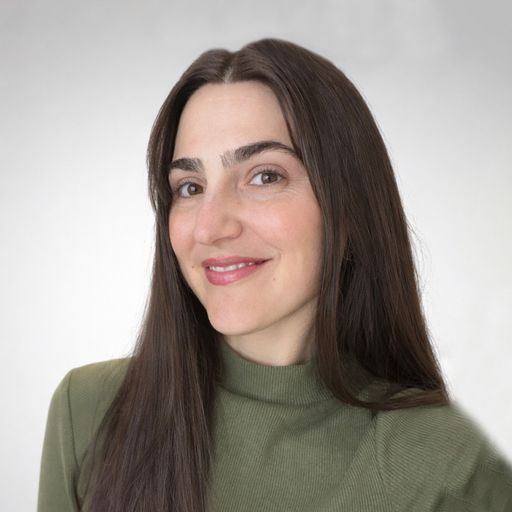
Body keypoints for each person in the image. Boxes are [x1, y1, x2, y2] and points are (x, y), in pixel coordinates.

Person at [37, 37, 512, 512]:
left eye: (264, 176)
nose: (209, 227)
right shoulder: (89, 412)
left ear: (348, 207)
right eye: (190, 187)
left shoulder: (453, 467)